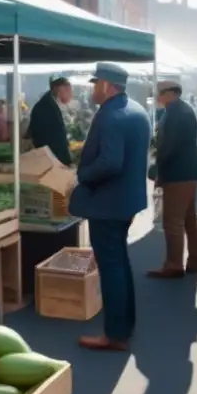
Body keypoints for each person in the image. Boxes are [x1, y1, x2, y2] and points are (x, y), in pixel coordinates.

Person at [68, 63, 150, 351]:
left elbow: (111, 162)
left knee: (112, 266)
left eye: (96, 84)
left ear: (107, 85)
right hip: (125, 201)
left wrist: (82, 175)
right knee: (120, 263)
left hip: (108, 203)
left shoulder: (111, 115)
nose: (93, 89)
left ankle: (115, 334)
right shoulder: (136, 110)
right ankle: (124, 325)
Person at [148, 80, 197, 278]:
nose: (157, 97)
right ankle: (194, 260)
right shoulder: (183, 110)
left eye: (159, 93)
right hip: (188, 172)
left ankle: (174, 264)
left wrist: (157, 168)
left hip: (177, 174)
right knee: (189, 219)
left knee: (173, 222)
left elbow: (168, 147)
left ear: (170, 93)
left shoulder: (175, 113)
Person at [28, 76, 73, 165]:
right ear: (57, 89)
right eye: (67, 90)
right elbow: (54, 137)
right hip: (50, 157)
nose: (70, 94)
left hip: (52, 155)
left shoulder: (50, 102)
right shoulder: (45, 107)